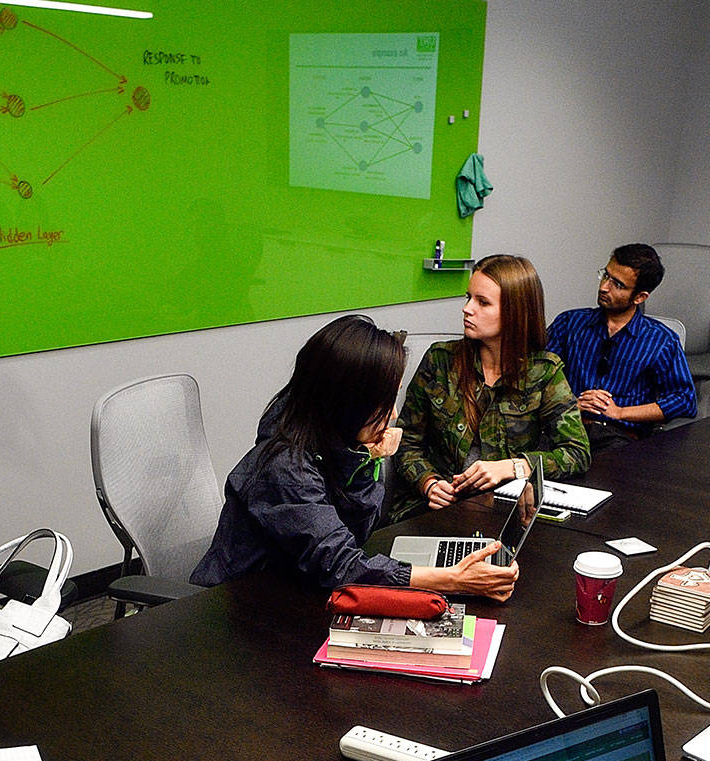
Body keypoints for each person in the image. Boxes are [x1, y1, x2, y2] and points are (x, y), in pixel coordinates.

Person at [190, 314, 518, 598]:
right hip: (240, 606)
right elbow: (342, 564)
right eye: (383, 403)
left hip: (298, 590)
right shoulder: (286, 465)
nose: (392, 415)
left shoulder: (336, 438)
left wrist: (365, 458)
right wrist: (453, 580)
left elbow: (354, 535)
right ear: (347, 401)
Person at [394, 253, 590, 522]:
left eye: (483, 302)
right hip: (434, 507)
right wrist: (427, 482)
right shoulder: (440, 360)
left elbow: (576, 452)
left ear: (515, 313)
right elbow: (405, 440)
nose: (467, 309)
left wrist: (513, 467)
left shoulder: (543, 371)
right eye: (468, 298)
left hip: (503, 510)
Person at [545, 243, 697, 455]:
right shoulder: (570, 322)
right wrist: (569, 404)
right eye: (605, 276)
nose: (604, 287)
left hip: (618, 437)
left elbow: (684, 401)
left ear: (640, 297)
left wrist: (620, 412)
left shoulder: (661, 341)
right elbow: (536, 377)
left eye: (618, 284)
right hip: (564, 429)